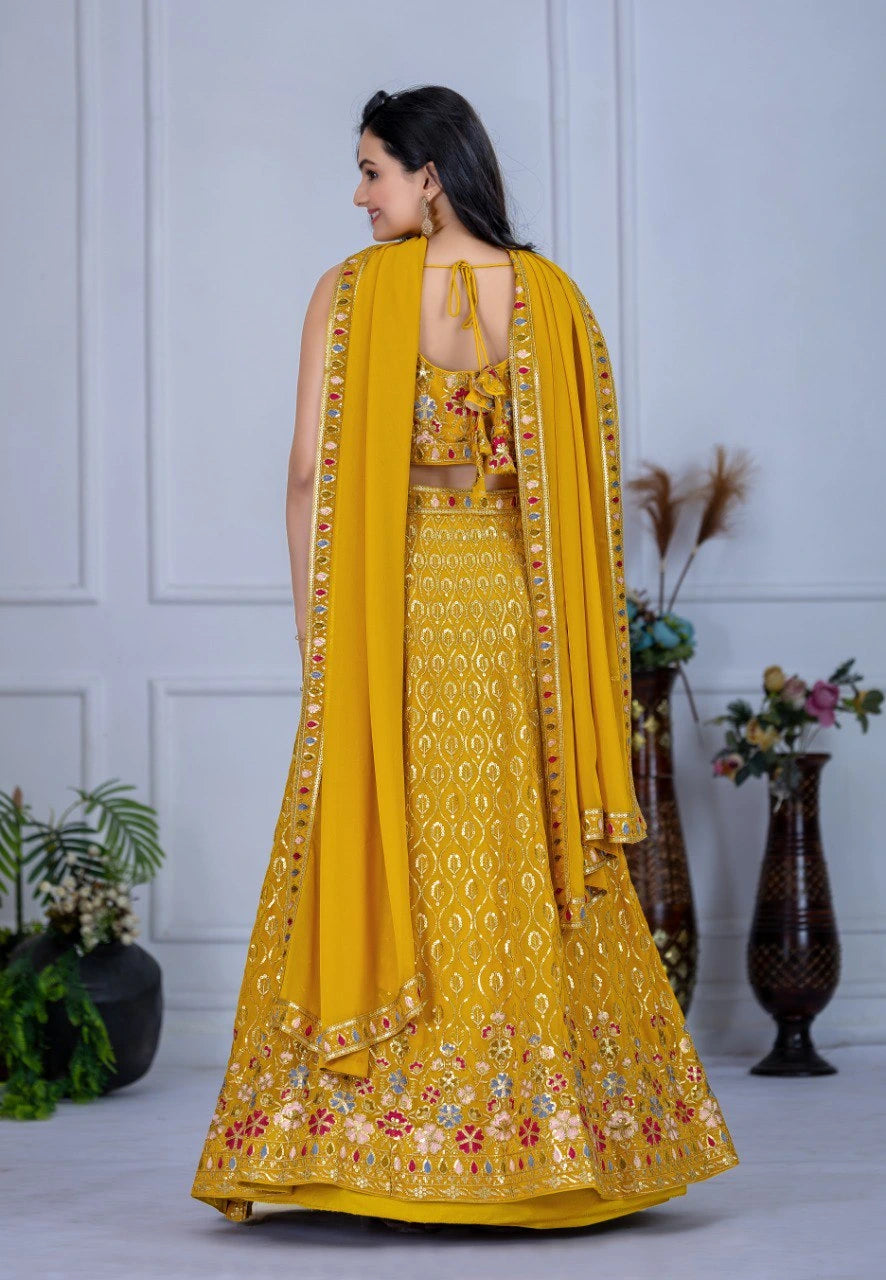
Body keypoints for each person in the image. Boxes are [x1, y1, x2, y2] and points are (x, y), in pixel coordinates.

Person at [190, 85, 739, 1230]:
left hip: (390, 610)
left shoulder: (348, 294)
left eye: (372, 171)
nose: (357, 195)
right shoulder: (551, 299)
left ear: (428, 173)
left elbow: (305, 474)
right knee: (505, 853)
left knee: (382, 833)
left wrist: (313, 629)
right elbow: (580, 501)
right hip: (509, 617)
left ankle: (356, 1144)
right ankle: (533, 1137)